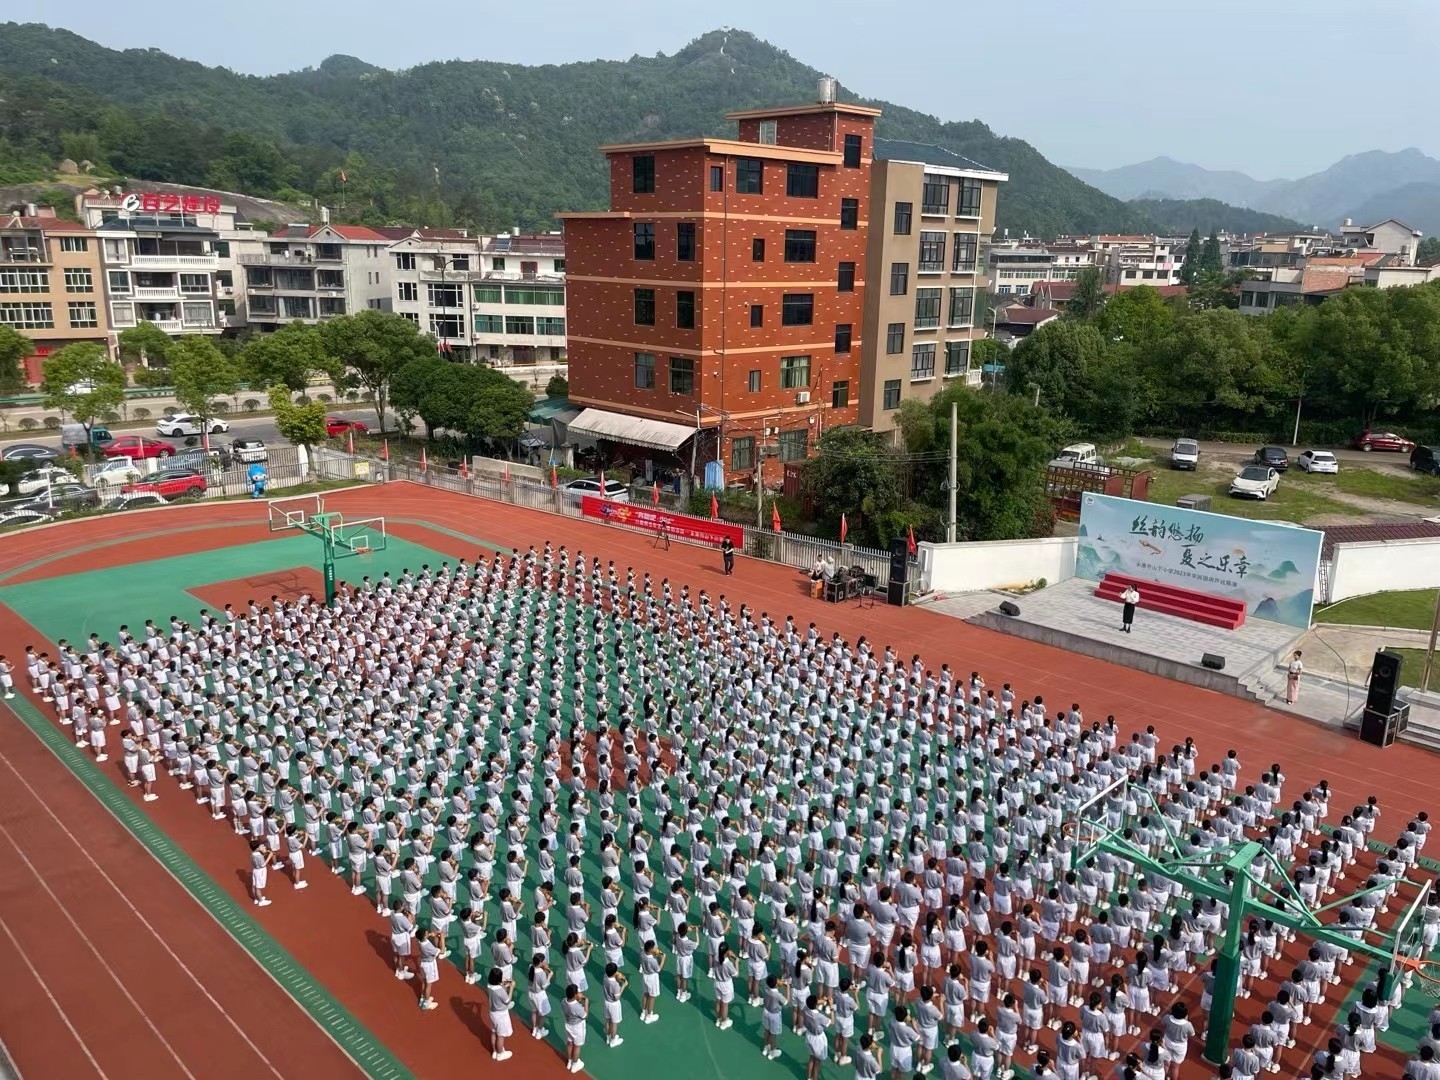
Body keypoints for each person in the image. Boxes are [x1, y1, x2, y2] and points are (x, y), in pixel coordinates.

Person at [486, 967, 515, 1061]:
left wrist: (504, 985)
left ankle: (495, 1051)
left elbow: (498, 990)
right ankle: (500, 1054)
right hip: (501, 1014)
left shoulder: (489, 985)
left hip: (493, 1012)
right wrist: (511, 988)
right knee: (501, 1035)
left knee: (494, 1031)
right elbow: (507, 1001)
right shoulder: (500, 990)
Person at [249, 839, 272, 907]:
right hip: (260, 871)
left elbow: (258, 860)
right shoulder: (259, 856)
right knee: (258, 887)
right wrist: (269, 856)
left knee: (254, 885)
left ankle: (256, 898)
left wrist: (265, 853)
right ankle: (261, 901)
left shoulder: (252, 854)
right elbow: (263, 864)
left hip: (255, 870)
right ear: (256, 848)